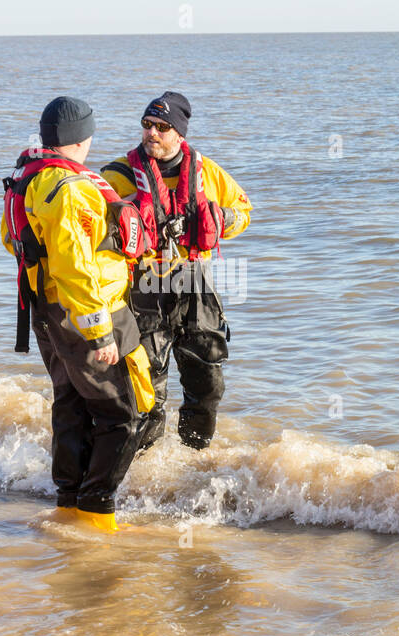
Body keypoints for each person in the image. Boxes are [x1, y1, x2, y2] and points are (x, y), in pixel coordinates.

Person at [0, 97, 156, 533]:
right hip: (84, 313)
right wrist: (100, 332)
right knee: (121, 413)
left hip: (44, 309)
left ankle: (67, 503)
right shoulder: (71, 190)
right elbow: (75, 267)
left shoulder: (28, 179)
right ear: (83, 139)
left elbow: (12, 242)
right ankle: (96, 513)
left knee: (70, 403)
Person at [100, 91, 252, 451]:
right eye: (147, 124)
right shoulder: (116, 176)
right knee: (146, 387)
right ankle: (144, 467)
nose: (151, 132)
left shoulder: (208, 172)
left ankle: (192, 458)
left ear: (180, 133)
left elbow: (245, 211)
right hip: (143, 287)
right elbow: (88, 222)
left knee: (208, 380)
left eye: (162, 127)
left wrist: (221, 219)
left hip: (195, 283)